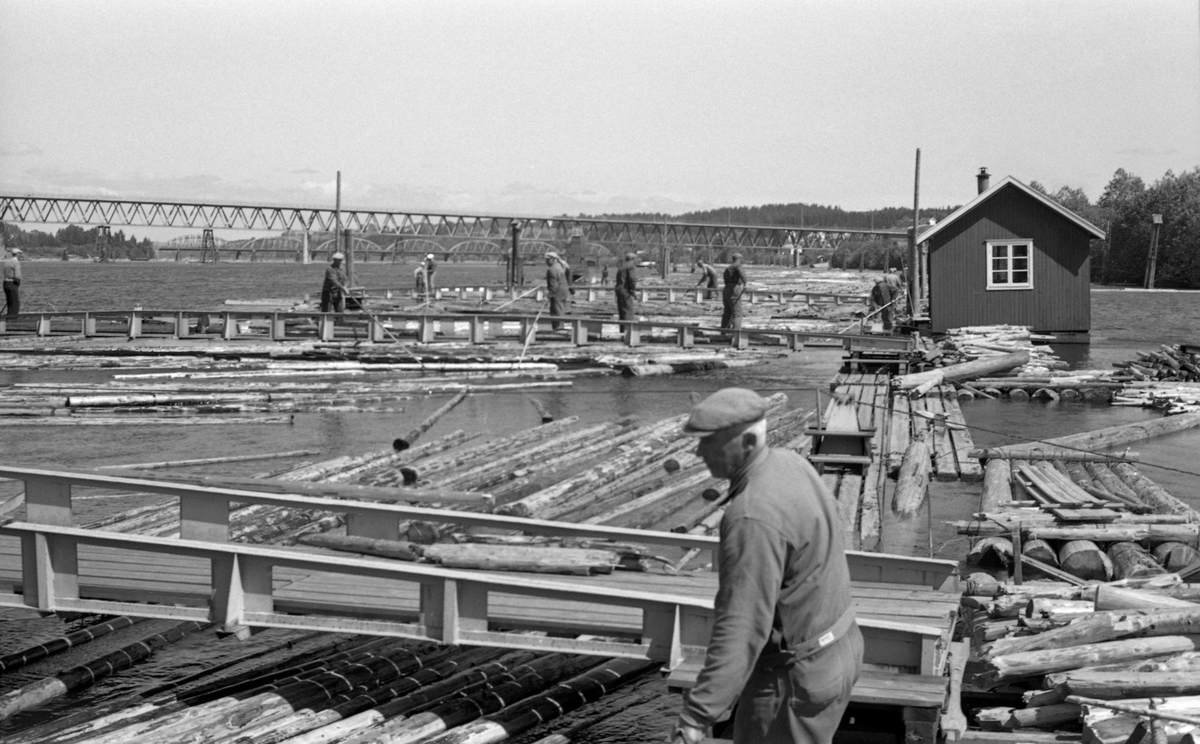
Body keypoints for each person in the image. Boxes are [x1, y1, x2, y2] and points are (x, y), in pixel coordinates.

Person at [671, 387, 862, 744]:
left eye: (708, 442)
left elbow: (742, 627)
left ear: (745, 442)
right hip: (840, 647)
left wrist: (698, 715)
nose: (698, 452)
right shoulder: (790, 463)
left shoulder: (751, 516)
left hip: (794, 676)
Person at [720, 253, 748, 329]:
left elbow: (725, 280)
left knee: (727, 312)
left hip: (726, 289)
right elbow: (743, 276)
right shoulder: (738, 266)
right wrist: (745, 283)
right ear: (740, 259)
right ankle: (736, 334)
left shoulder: (728, 268)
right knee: (737, 313)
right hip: (734, 289)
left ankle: (724, 332)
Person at [544, 251, 571, 330]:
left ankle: (558, 329)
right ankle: (560, 328)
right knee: (561, 311)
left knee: (556, 313)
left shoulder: (553, 269)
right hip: (564, 292)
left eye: (548, 260)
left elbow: (554, 285)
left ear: (553, 259)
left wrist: (549, 295)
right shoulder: (561, 266)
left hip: (557, 294)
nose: (546, 262)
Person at [614, 252, 638, 321]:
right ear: (633, 259)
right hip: (625, 291)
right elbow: (632, 278)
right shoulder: (631, 266)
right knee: (628, 311)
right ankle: (628, 330)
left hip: (619, 290)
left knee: (622, 312)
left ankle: (622, 330)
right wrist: (633, 289)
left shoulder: (621, 267)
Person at [3, 247, 22, 317]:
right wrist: (18, 283)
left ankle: (9, 318)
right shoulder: (16, 262)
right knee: (15, 303)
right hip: (12, 283)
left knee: (9, 302)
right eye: (19, 254)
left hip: (5, 283)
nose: (20, 255)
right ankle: (13, 320)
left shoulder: (7, 262)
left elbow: (4, 273)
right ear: (17, 254)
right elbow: (17, 276)